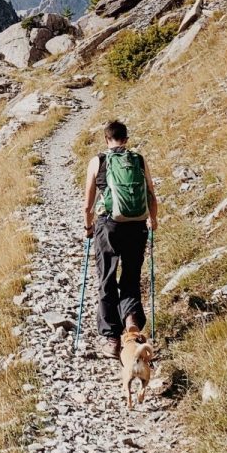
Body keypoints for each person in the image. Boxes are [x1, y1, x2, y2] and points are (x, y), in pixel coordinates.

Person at [82, 118, 158, 359]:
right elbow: (151, 193)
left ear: (107, 139)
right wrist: (153, 219)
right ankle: (132, 324)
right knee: (131, 276)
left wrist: (88, 227)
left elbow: (88, 204)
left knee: (106, 277)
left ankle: (113, 339)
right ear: (126, 139)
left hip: (109, 226)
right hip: (137, 225)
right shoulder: (138, 160)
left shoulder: (98, 161)